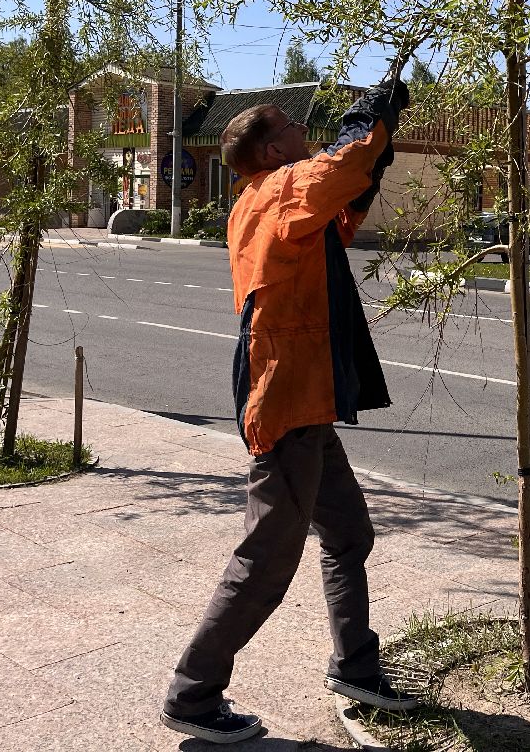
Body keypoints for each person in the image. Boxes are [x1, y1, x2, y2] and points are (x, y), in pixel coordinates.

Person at [162, 79, 418, 745]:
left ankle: (355, 666)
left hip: (304, 399)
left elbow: (344, 206)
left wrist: (375, 148)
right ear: (275, 148)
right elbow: (343, 165)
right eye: (293, 129)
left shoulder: (262, 200)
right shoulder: (281, 188)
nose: (306, 133)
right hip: (286, 400)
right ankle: (193, 695)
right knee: (266, 561)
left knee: (349, 533)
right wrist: (372, 119)